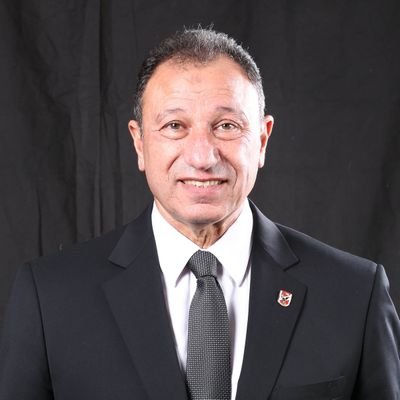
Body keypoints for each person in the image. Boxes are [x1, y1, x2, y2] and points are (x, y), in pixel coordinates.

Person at [0, 28, 399, 400]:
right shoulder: (50, 298)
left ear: (262, 140)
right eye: (175, 125)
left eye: (226, 125)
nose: (202, 157)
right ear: (139, 143)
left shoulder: (354, 294)